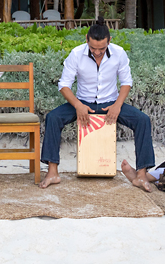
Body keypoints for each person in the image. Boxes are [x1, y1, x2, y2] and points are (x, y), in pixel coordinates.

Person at [40, 21, 155, 191]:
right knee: (53, 117)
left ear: (109, 41)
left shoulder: (119, 53)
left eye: (101, 49)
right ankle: (52, 172)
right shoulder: (76, 54)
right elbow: (64, 85)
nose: (97, 52)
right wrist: (78, 105)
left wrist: (117, 105)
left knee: (142, 120)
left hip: (111, 102)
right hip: (83, 102)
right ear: (87, 40)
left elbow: (126, 82)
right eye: (93, 48)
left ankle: (141, 175)